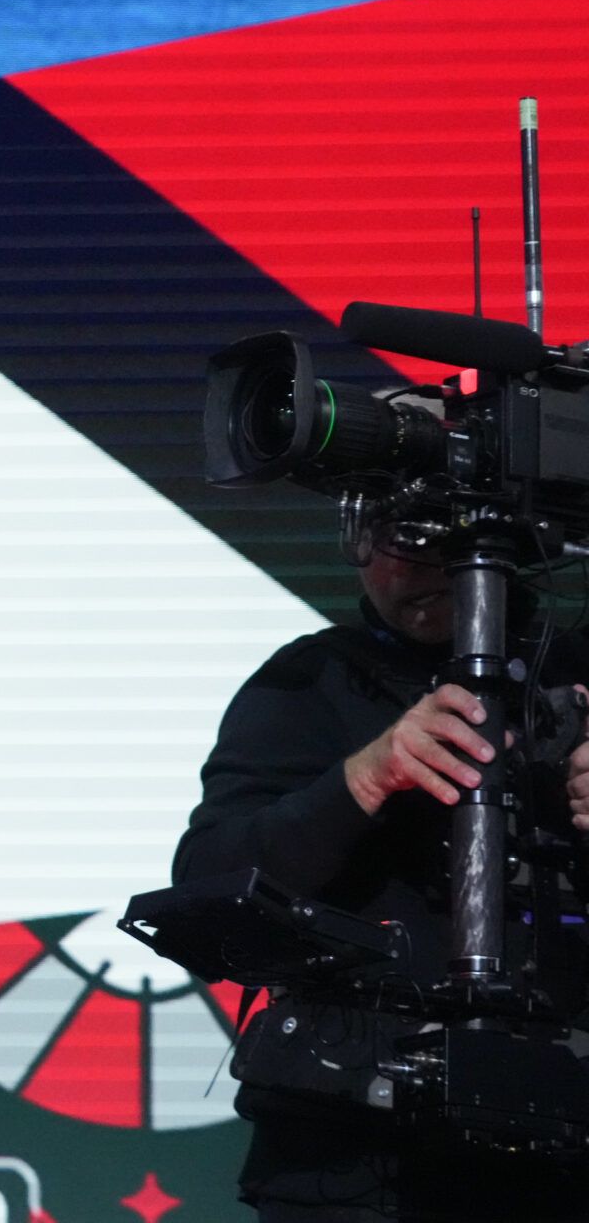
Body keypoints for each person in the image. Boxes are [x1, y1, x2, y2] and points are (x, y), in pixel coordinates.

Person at [175, 522, 589, 1221]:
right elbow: (205, 889)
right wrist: (362, 781)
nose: (399, 572)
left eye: (429, 542)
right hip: (353, 1154)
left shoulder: (575, 670)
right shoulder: (310, 681)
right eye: (378, 543)